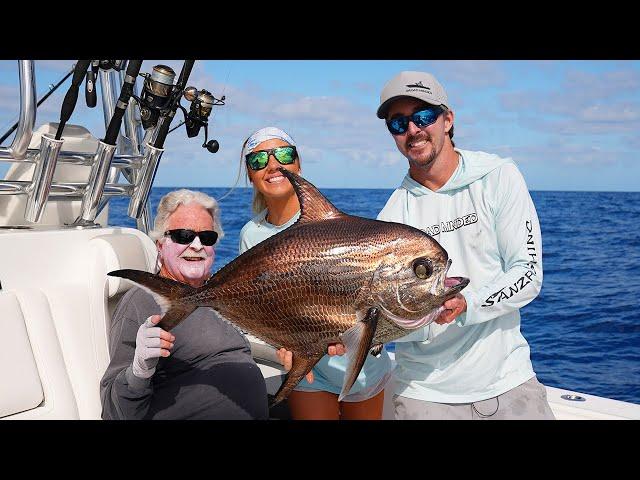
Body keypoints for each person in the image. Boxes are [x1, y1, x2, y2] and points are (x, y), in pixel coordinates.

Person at [375, 71, 555, 420]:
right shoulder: (392, 218)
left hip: (508, 382)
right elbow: (386, 315)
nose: (412, 129)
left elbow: (528, 273)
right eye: (398, 123)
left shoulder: (499, 175)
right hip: (423, 393)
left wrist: (466, 303)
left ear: (448, 119)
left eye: (423, 116)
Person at [237, 126, 394, 420]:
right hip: (309, 369)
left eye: (283, 154)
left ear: (298, 163)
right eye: (258, 160)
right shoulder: (250, 235)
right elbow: (265, 310)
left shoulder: (335, 226)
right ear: (250, 173)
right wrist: (280, 347)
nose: (273, 165)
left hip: (359, 365)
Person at [100, 189, 269, 419]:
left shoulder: (220, 295)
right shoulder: (141, 301)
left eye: (207, 237)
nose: (197, 245)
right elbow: (114, 413)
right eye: (183, 236)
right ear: (160, 244)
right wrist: (139, 370)